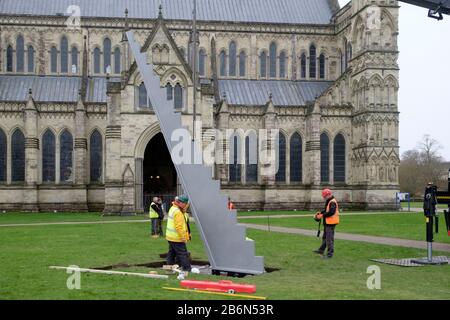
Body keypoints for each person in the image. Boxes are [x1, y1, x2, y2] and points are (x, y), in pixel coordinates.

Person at [166, 195, 192, 272]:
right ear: (181, 203)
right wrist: (183, 238)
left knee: (171, 253)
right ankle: (187, 269)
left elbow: (183, 209)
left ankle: (169, 267)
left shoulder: (173, 208)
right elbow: (179, 227)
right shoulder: (178, 212)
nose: (186, 206)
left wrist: (188, 203)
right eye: (185, 204)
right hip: (177, 238)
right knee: (183, 254)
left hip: (170, 237)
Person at [313, 188, 340, 259]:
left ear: (328, 194)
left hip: (331, 223)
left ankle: (329, 255)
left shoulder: (332, 202)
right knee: (325, 238)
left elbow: (331, 212)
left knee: (329, 239)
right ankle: (321, 250)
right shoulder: (329, 201)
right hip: (327, 222)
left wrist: (322, 215)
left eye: (325, 196)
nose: (324, 198)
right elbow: (326, 210)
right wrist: (321, 212)